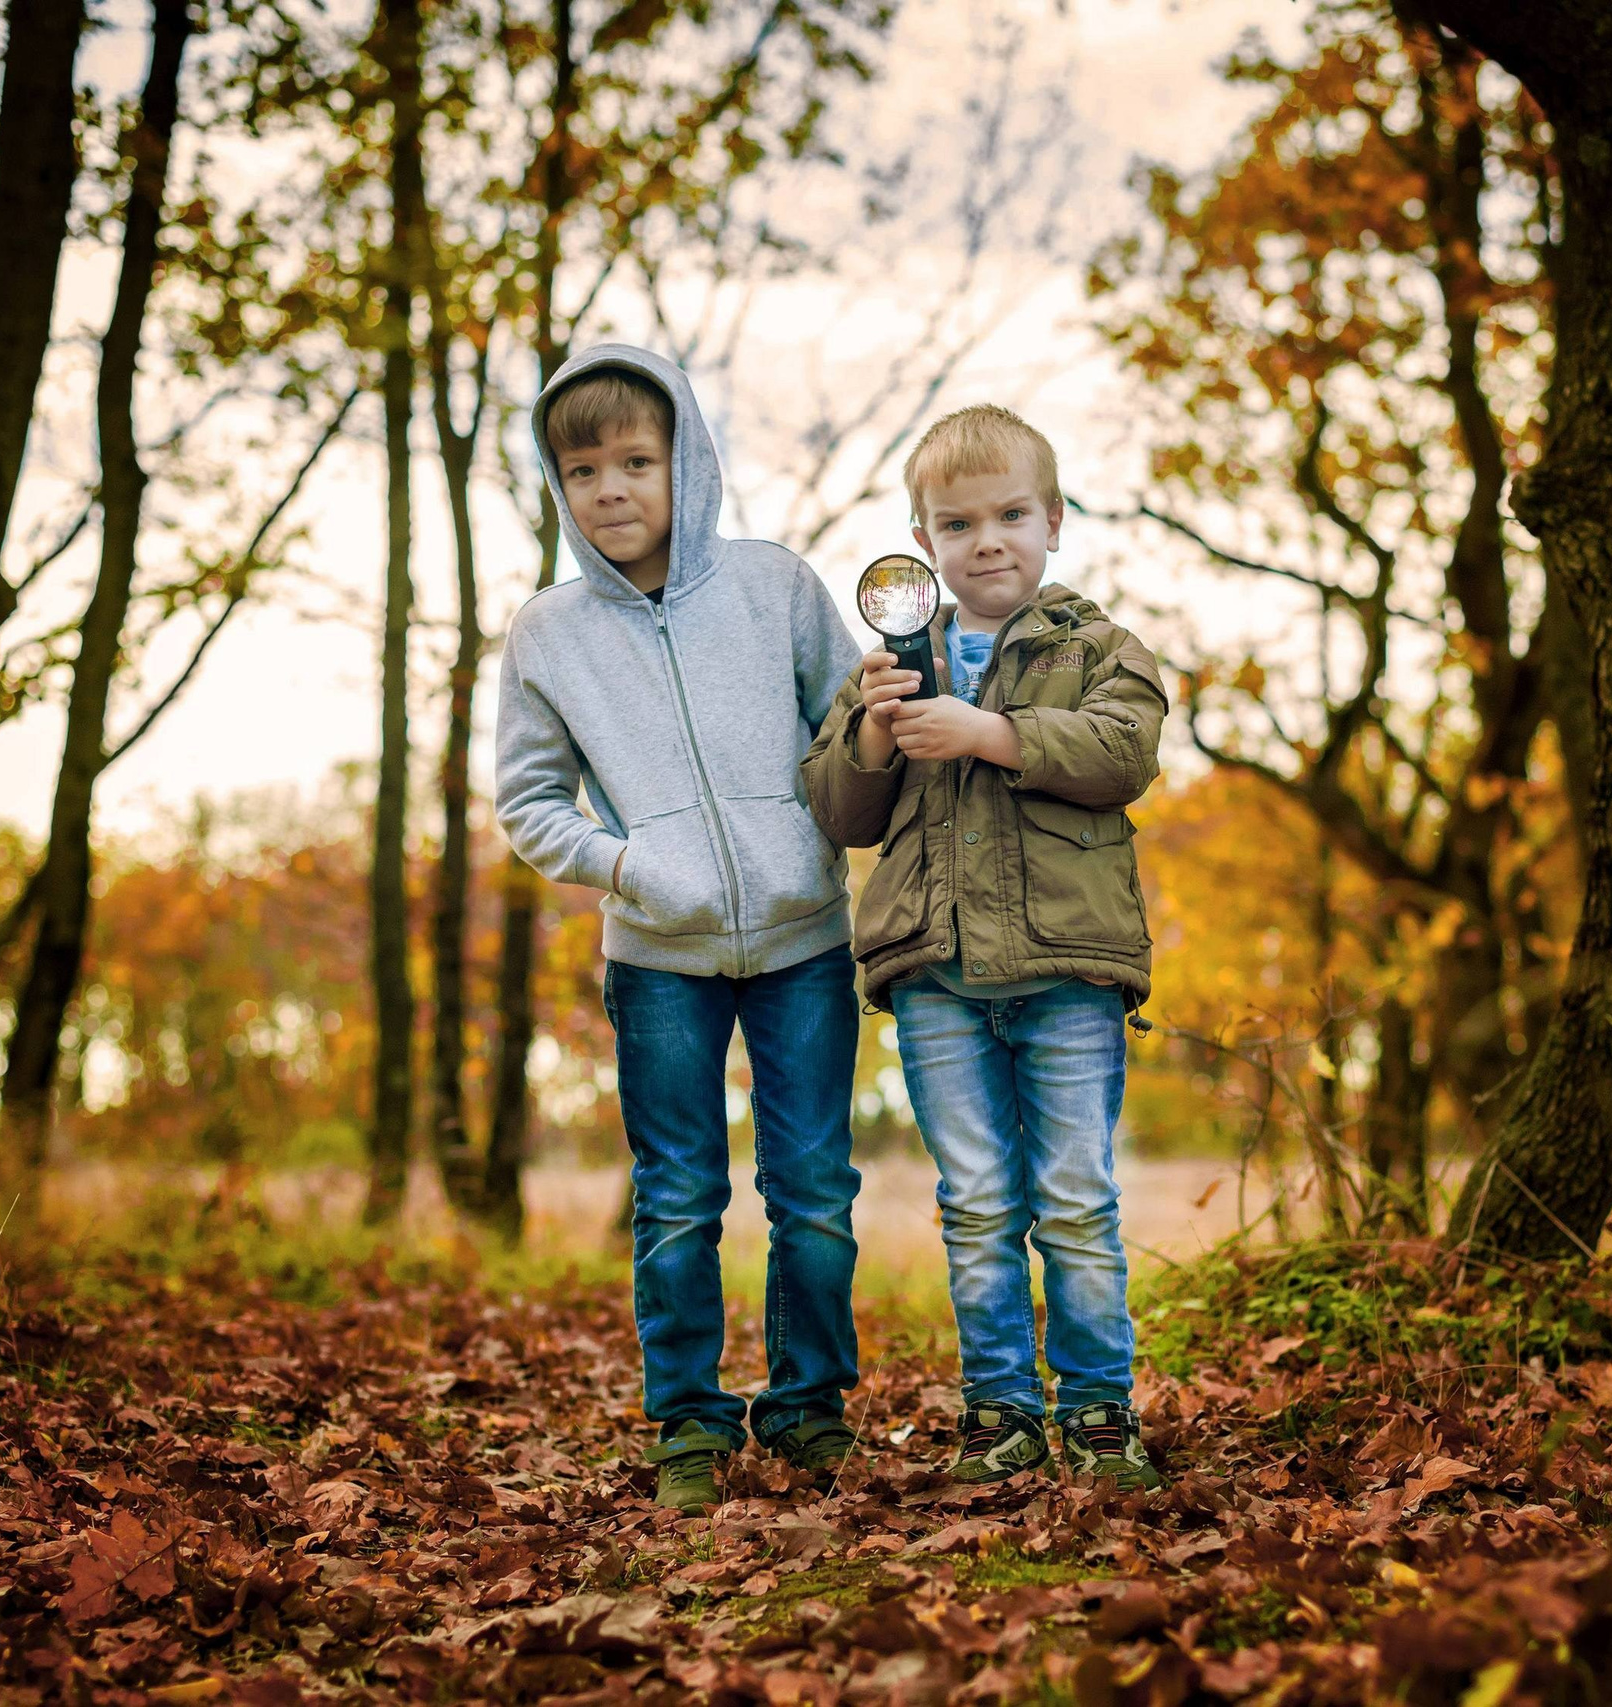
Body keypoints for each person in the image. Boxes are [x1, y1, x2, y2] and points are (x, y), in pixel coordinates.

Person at [494, 345, 865, 1516]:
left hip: (806, 939)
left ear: (683, 463)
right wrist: (627, 866)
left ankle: (809, 1412)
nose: (611, 488)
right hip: (657, 961)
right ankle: (691, 1429)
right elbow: (528, 803)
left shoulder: (773, 586)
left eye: (637, 462)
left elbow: (848, 726)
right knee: (678, 1197)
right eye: (584, 468)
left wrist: (850, 802)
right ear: (559, 486)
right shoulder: (547, 635)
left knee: (811, 1191)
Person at [801, 403, 1168, 1491]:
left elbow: (1122, 751)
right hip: (936, 979)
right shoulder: (892, 668)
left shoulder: (1101, 648)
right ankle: (1000, 1411)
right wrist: (872, 732)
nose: (988, 540)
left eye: (1011, 514)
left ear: (1053, 520)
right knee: (974, 1202)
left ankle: (1100, 1412)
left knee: (1074, 1196)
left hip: (1067, 974)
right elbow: (836, 810)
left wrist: (992, 735)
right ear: (924, 546)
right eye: (957, 524)